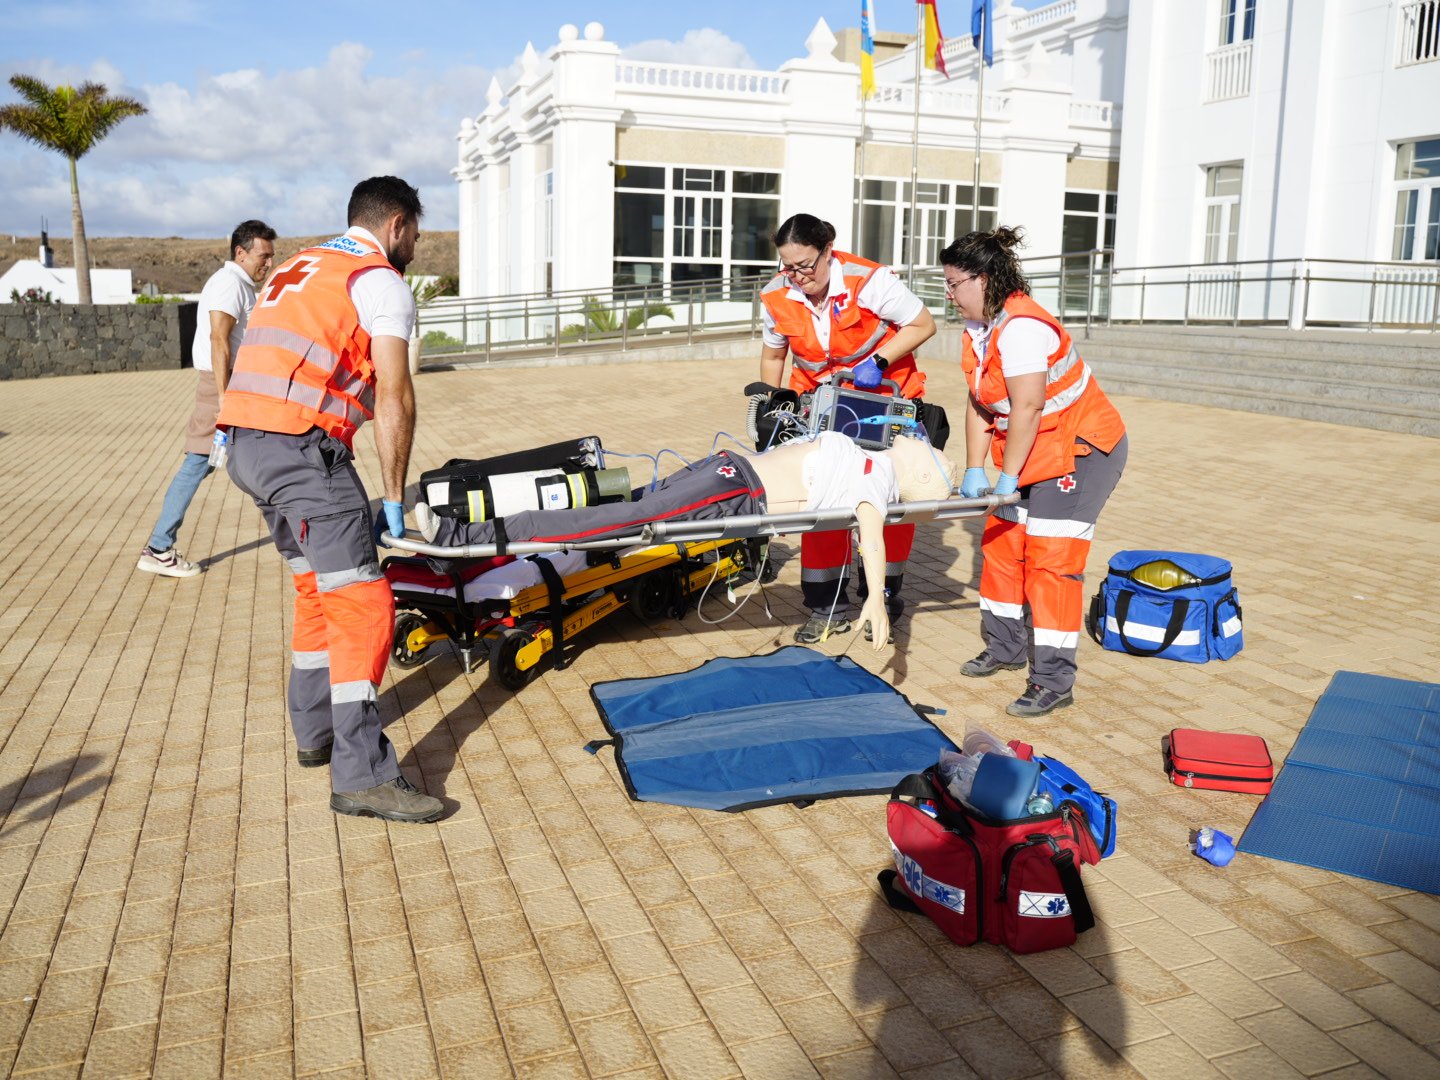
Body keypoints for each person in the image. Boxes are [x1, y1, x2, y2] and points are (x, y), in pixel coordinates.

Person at [216, 176, 442, 824]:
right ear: (396, 225)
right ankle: (362, 775)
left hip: (248, 448)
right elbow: (395, 395)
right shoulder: (377, 280)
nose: (416, 250)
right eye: (417, 237)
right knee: (365, 603)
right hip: (300, 453)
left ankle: (313, 732)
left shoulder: (300, 265)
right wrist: (393, 497)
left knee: (318, 589)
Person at [416, 432, 959, 653]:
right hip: (736, 491)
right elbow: (870, 539)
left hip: (729, 469)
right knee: (613, 523)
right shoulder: (875, 482)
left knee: (613, 518)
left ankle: (460, 555)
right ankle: (465, 536)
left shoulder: (858, 446)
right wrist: (874, 602)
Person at [944, 226, 1128, 718]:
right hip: (1029, 451)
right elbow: (981, 403)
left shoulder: (1024, 327)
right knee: (1002, 548)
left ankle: (1052, 680)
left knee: (1049, 564)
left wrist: (1006, 478)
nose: (949, 294)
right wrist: (974, 468)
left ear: (983, 280)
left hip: (1081, 452)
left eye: (955, 283)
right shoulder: (981, 330)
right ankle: (1003, 648)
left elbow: (1026, 407)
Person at [758, 213, 939, 644]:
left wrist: (877, 362)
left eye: (805, 265)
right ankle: (827, 606)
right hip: (819, 409)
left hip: (883, 404)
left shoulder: (869, 281)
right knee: (821, 501)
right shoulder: (775, 294)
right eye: (788, 266)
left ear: (828, 250)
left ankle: (884, 594)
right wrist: (770, 405)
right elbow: (773, 356)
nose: (797, 276)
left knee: (890, 505)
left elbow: (923, 323)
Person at [137, 220, 276, 577]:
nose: (269, 264)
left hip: (232, 386)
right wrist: (225, 399)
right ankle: (158, 547)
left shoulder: (241, 284)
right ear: (240, 252)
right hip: (222, 387)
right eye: (264, 256)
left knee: (220, 461)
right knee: (198, 464)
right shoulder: (229, 283)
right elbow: (219, 340)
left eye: (272, 257)